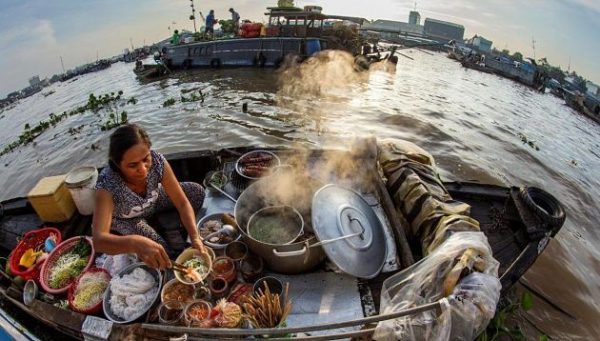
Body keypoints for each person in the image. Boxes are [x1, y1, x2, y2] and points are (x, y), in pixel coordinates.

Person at [92, 124, 206, 270]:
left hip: (154, 200)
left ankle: (162, 221)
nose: (143, 169)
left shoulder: (157, 161)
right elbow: (99, 241)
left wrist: (194, 236)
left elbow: (182, 203)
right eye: (133, 165)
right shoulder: (107, 184)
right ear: (117, 164)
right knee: (160, 251)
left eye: (146, 159)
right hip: (129, 218)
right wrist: (134, 243)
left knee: (197, 192)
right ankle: (153, 227)